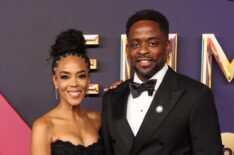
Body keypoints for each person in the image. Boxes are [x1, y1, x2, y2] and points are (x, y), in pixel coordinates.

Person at [101, 9, 222, 155]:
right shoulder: (111, 98)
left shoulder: (195, 95)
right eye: (135, 44)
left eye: (152, 43)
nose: (143, 51)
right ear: (127, 50)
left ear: (167, 47)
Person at [31, 29, 103, 155]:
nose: (74, 83)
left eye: (81, 76)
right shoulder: (44, 126)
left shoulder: (98, 119)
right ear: (56, 81)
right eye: (65, 77)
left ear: (88, 79)